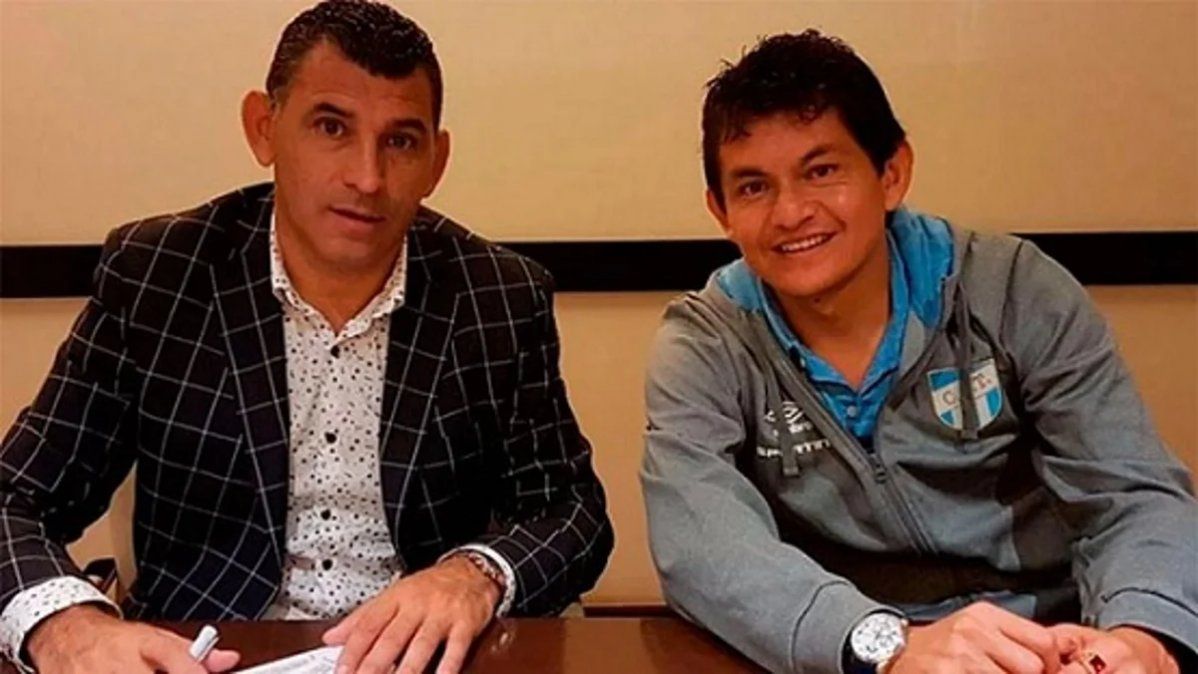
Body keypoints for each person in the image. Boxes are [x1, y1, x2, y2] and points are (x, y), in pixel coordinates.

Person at [0, 2, 613, 673]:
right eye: (331, 127)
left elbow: (571, 512)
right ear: (263, 128)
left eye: (400, 142)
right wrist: (66, 628)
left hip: (421, 662)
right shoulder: (158, 275)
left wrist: (475, 574)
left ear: (437, 161)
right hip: (211, 654)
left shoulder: (497, 294)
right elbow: (14, 498)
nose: (367, 178)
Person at [641, 30, 1196, 674]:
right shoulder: (706, 339)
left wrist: (1141, 637)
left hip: (1056, 640)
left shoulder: (1015, 290)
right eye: (754, 187)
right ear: (720, 211)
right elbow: (702, 545)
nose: (790, 212)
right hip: (857, 653)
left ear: (892, 173)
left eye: (821, 171)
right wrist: (890, 644)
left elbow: (1130, 492)